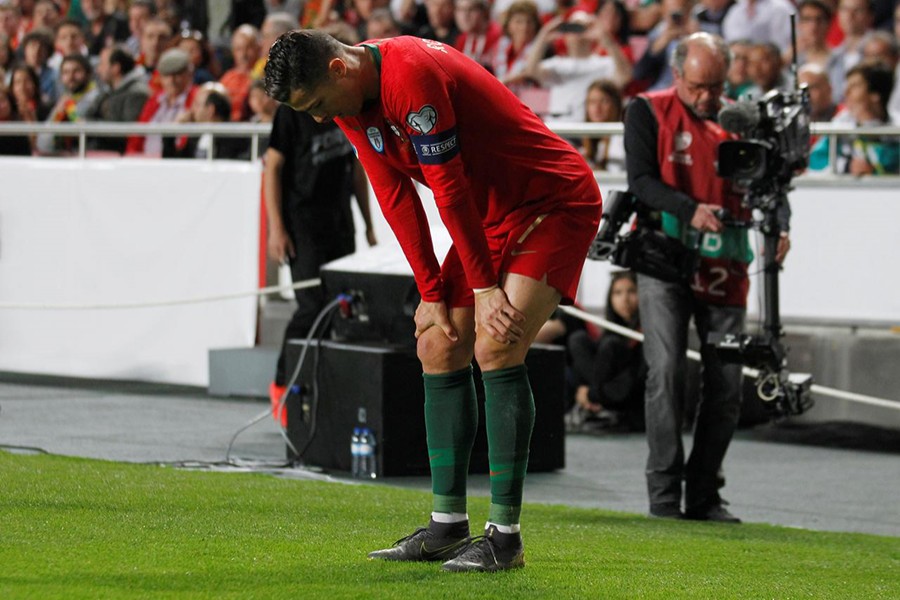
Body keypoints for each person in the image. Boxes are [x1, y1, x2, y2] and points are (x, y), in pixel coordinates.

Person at [264, 30, 602, 572]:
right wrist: (429, 292)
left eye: (320, 105)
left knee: (497, 343)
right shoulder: (350, 99)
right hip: (492, 214)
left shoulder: (410, 75)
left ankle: (505, 537)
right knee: (437, 344)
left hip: (553, 200)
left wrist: (487, 288)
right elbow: (394, 195)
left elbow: (448, 190)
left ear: (338, 68)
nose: (322, 119)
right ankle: (447, 525)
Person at [624, 32, 790, 523]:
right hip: (665, 257)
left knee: (726, 383)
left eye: (717, 87)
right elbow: (641, 180)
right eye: (699, 86)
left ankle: (704, 493)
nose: (708, 98)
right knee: (667, 370)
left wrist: (781, 228)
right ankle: (662, 493)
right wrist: (689, 208)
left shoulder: (742, 120)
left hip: (729, 260)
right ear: (676, 75)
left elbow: (771, 182)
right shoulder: (647, 111)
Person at [263, 100, 377, 416]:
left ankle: (321, 393)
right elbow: (272, 167)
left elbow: (357, 169)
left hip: (340, 222)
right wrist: (277, 228)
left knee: (339, 310)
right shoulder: (291, 111)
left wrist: (368, 225)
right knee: (311, 307)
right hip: (303, 225)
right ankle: (283, 386)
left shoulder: (345, 107)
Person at [567, 271, 646, 432]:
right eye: (617, 293)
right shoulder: (609, 331)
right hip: (606, 390)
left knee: (610, 345)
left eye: (631, 291)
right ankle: (595, 403)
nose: (625, 299)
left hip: (629, 392)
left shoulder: (648, 330)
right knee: (578, 339)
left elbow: (635, 378)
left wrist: (591, 393)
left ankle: (593, 400)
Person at [809, 60, 898, 175]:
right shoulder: (839, 126)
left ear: (875, 94)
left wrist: (875, 170)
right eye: (847, 86)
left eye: (855, 86)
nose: (846, 92)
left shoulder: (896, 131)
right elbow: (815, 162)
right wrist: (847, 166)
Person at [126, 48, 198, 156]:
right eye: (167, 75)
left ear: (189, 74)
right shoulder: (155, 100)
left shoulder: (197, 98)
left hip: (178, 163)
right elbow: (138, 134)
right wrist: (131, 156)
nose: (171, 81)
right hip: (146, 162)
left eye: (177, 74)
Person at [84, 45, 150, 153]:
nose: (98, 69)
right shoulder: (106, 91)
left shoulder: (137, 93)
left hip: (119, 158)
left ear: (115, 68)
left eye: (102, 64)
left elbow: (128, 131)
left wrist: (91, 125)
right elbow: (87, 117)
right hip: (98, 152)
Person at [36, 54, 101, 154]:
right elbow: (43, 144)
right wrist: (57, 114)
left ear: (88, 74)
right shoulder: (63, 101)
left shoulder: (99, 97)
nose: (71, 76)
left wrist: (71, 111)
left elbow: (80, 126)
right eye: (66, 72)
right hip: (64, 159)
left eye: (77, 71)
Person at [580, 78, 626, 172]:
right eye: (592, 102)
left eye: (604, 101)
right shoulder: (585, 142)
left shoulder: (622, 139)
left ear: (616, 105)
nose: (597, 108)